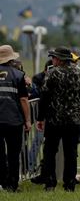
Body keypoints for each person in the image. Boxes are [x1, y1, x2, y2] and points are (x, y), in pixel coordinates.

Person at [35, 47, 80, 192]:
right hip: (73, 120)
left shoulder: (52, 73)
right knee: (71, 153)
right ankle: (70, 183)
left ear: (59, 59)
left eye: (53, 57)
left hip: (54, 120)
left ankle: (50, 183)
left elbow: (44, 96)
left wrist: (40, 118)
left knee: (50, 152)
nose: (52, 60)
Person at [0, 45, 30, 192]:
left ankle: (3, 182)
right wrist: (28, 120)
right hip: (14, 121)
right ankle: (13, 185)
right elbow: (24, 100)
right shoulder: (18, 75)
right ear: (11, 59)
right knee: (13, 155)